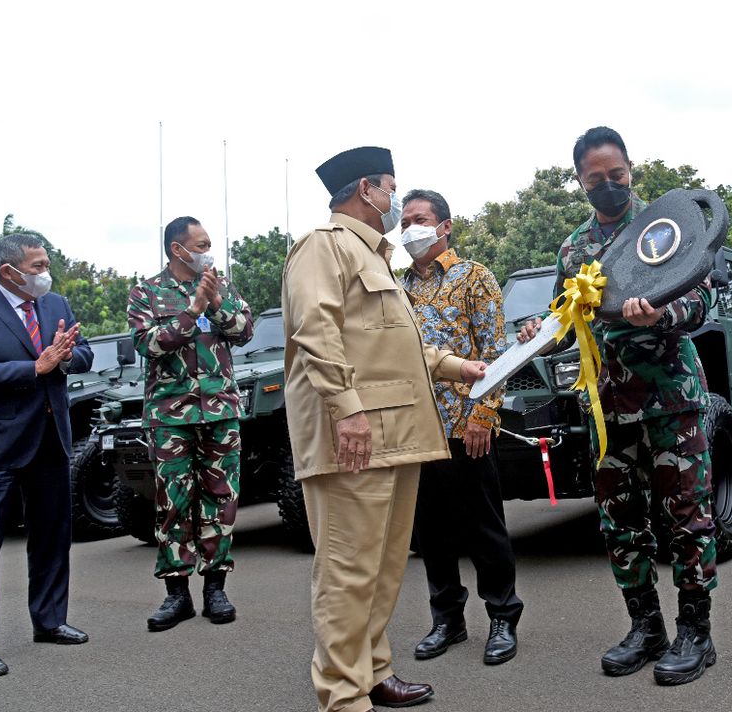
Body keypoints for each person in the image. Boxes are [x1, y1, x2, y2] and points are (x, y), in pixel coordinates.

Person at [282, 146, 489, 712]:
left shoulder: (375, 258)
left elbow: (400, 345)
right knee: (347, 573)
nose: (396, 200)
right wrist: (346, 409)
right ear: (365, 190)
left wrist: (457, 367)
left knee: (381, 569)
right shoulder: (322, 247)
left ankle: (373, 672)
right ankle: (344, 695)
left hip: (395, 436)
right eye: (391, 188)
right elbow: (313, 329)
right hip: (354, 437)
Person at [519, 126, 717, 685]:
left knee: (687, 521)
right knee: (620, 524)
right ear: (580, 180)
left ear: (632, 169)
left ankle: (696, 634)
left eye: (617, 176)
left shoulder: (666, 225)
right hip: (607, 407)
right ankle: (646, 626)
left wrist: (662, 314)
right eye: (595, 179)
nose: (608, 187)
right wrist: (540, 329)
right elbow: (567, 319)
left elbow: (703, 298)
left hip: (671, 399)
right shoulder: (574, 247)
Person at [0, 233, 93, 678]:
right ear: (8, 271)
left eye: (46, 263)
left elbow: (81, 353)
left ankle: (49, 621)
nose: (45, 273)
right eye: (37, 266)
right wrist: (35, 367)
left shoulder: (56, 304)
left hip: (50, 440)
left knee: (51, 537)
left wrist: (65, 360)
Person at [399, 189, 524, 665]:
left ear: (445, 226)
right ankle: (447, 619)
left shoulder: (474, 277)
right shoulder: (397, 287)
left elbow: (495, 353)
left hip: (466, 424)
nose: (412, 227)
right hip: (418, 427)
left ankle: (502, 616)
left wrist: (483, 415)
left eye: (421, 219)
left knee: (483, 526)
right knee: (430, 531)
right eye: (406, 220)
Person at [127, 216, 254, 631]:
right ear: (177, 250)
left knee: (221, 497)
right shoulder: (146, 292)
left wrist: (215, 303)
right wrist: (192, 311)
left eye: (208, 244)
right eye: (199, 245)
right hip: (170, 415)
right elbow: (148, 344)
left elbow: (245, 331)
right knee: (173, 501)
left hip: (220, 411)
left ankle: (216, 588)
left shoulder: (223, 285)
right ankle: (176, 594)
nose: (207, 251)